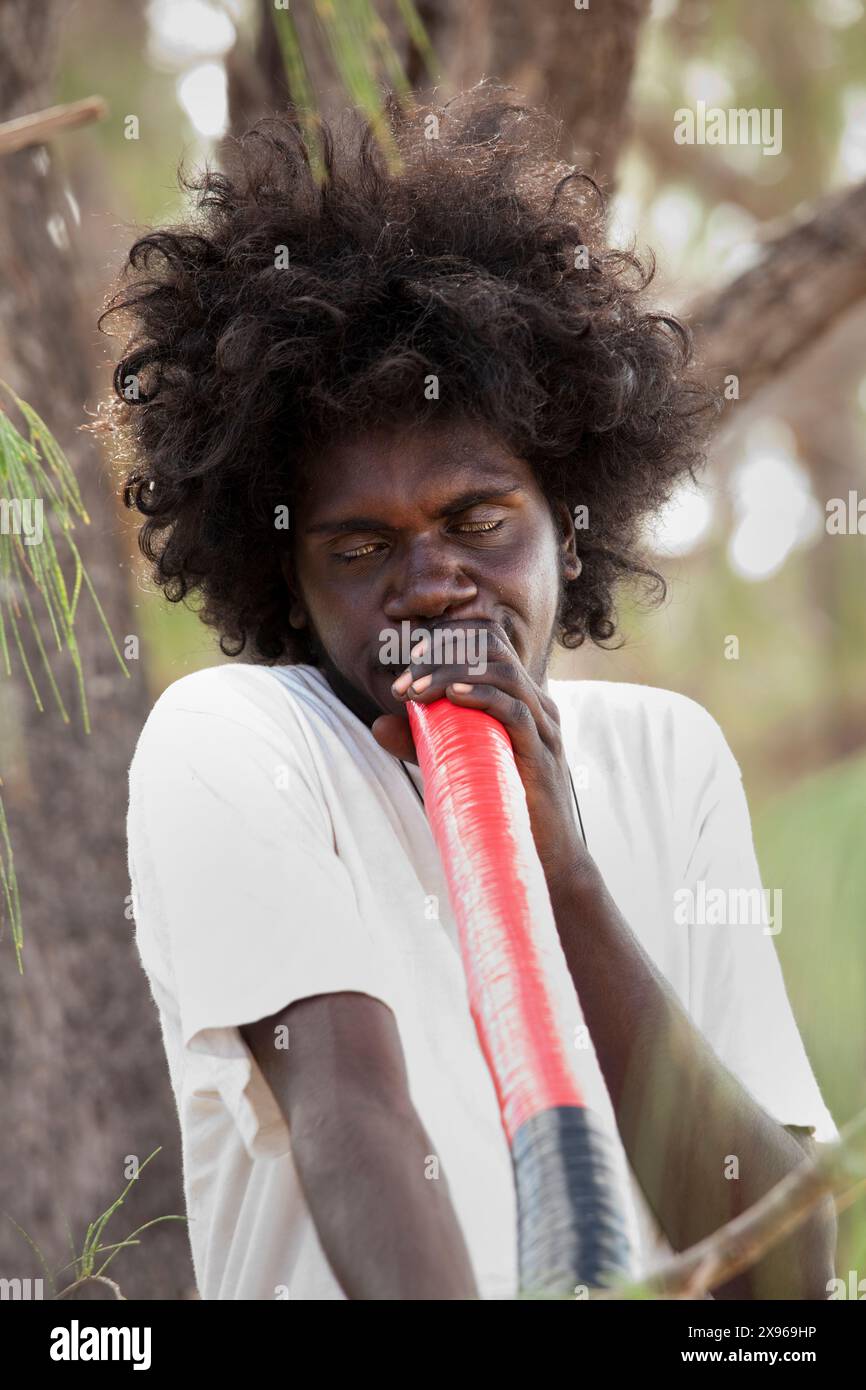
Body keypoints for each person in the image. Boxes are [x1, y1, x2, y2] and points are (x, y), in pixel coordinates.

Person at [106, 85, 838, 1300]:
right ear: (285, 583)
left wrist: (564, 874)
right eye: (359, 548)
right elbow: (352, 1116)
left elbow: (783, 1277)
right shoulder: (235, 742)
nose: (431, 584)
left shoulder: (666, 756)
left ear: (566, 521)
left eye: (478, 521)